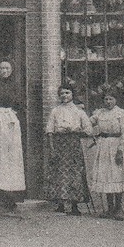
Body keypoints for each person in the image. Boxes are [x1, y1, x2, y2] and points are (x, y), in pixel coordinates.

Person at [46, 85, 92, 216]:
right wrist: (52, 148)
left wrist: (76, 131)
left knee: (74, 173)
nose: (64, 96)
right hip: (59, 143)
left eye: (67, 93)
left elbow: (89, 130)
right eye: (61, 93)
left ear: (72, 94)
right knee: (58, 173)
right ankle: (60, 204)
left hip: (73, 145)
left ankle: (74, 205)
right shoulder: (55, 111)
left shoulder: (79, 111)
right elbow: (49, 131)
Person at [89, 89, 124, 219]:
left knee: (117, 175)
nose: (108, 102)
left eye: (111, 99)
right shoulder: (99, 113)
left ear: (116, 100)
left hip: (116, 145)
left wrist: (120, 148)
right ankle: (109, 208)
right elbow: (87, 124)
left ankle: (118, 208)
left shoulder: (122, 114)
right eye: (106, 99)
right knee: (106, 176)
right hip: (103, 146)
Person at [0, 82, 26, 213]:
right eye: (2, 68)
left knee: (11, 161)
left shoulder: (15, 90)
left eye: (7, 68)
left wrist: (13, 112)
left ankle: (11, 197)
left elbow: (20, 103)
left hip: (10, 126)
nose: (4, 71)